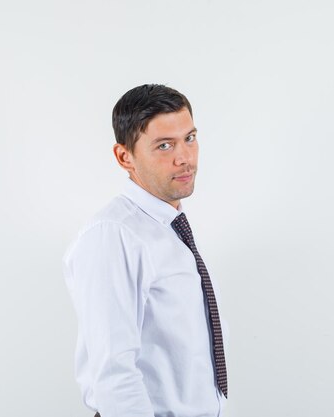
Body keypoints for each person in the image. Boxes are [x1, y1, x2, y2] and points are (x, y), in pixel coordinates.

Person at [63, 84, 229, 417]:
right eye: (164, 145)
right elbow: (113, 375)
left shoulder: (168, 227)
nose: (184, 157)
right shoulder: (115, 235)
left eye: (190, 139)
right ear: (125, 157)